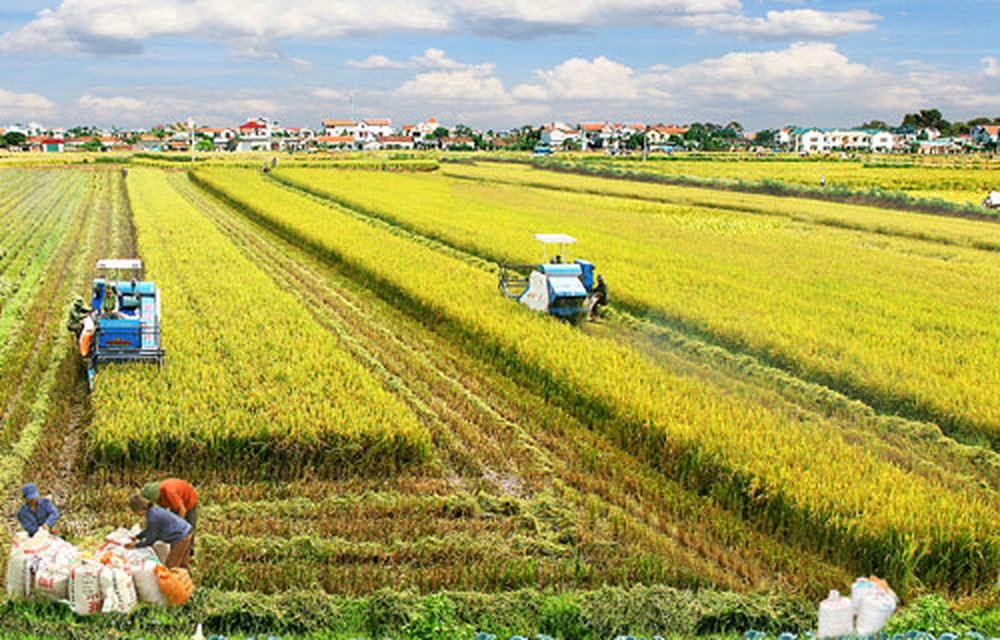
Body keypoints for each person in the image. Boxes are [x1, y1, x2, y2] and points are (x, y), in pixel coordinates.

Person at [126, 493, 192, 569]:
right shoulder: (154, 511)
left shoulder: (152, 518)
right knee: (182, 564)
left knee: (171, 565)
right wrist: (138, 537)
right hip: (186, 531)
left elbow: (151, 539)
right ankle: (185, 575)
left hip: (181, 536)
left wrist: (136, 545)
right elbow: (150, 530)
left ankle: (175, 576)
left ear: (140, 510)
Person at [142, 479, 198, 556]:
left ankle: (189, 551)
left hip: (188, 500)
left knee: (188, 527)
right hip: (176, 503)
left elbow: (182, 510)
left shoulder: (170, 492)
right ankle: (174, 549)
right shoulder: (159, 495)